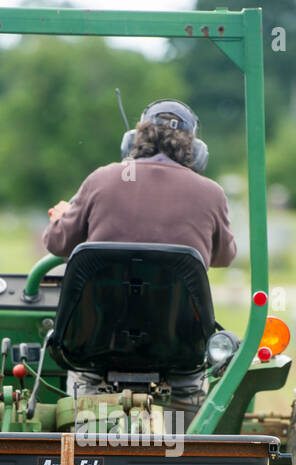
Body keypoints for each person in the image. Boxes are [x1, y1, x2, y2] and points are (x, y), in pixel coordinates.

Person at [41, 100, 237, 427]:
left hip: (94, 354)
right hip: (179, 356)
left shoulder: (100, 180)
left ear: (134, 140)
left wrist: (61, 219)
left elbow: (57, 243)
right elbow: (225, 255)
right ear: (196, 151)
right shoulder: (211, 193)